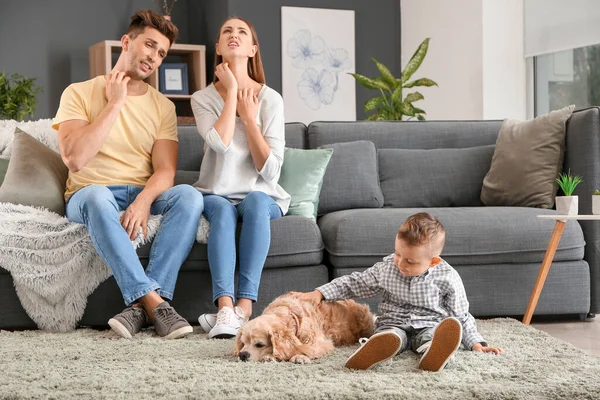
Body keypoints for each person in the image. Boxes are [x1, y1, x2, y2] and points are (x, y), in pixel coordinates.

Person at [53, 10, 204, 339]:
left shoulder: (162, 106)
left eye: (162, 52)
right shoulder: (78, 92)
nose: (154, 56)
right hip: (90, 194)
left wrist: (145, 200)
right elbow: (75, 159)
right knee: (95, 195)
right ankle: (153, 301)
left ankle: (140, 310)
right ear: (126, 42)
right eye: (149, 45)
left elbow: (165, 169)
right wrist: (115, 104)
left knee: (190, 196)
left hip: (140, 190)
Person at [293, 212, 503, 371]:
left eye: (410, 261)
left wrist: (476, 343)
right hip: (393, 323)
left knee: (434, 335)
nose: (400, 263)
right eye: (397, 254)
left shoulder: (447, 277)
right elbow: (354, 283)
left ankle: (435, 352)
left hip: (429, 325)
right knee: (390, 334)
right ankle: (379, 348)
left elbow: (460, 315)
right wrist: (320, 293)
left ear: (434, 262)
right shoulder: (387, 268)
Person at [190, 17, 290, 339]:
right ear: (218, 48)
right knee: (220, 209)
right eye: (227, 32)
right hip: (217, 192)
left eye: (242, 32)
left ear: (252, 49)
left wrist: (250, 120)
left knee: (258, 200)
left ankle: (243, 310)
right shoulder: (203, 99)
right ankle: (224, 309)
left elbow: (271, 170)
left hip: (261, 194)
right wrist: (232, 90)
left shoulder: (271, 100)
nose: (234, 35)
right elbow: (219, 143)